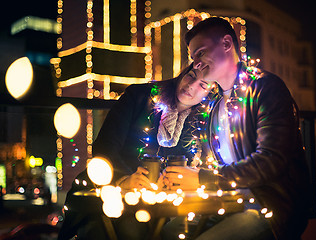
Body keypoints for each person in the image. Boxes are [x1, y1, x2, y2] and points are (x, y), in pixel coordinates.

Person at [162, 17, 311, 240]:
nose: (196, 63)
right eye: (193, 58)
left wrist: (203, 178)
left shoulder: (266, 87)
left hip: (270, 206)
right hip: (226, 201)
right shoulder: (212, 105)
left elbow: (271, 160)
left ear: (226, 44)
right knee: (169, 232)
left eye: (201, 53)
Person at [57, 64, 214, 240]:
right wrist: (123, 179)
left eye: (203, 85)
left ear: (210, 93)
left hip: (156, 207)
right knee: (118, 230)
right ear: (182, 74)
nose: (191, 85)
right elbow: (104, 148)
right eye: (191, 76)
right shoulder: (140, 96)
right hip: (103, 194)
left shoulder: (202, 124)